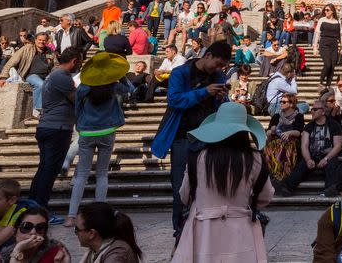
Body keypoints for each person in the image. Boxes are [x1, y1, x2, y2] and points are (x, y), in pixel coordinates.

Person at [173, 102, 273, 262]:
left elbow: (185, 196)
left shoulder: (197, 158)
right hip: (241, 233)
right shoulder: (255, 159)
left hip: (202, 232)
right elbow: (266, 196)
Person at [149, 41, 233, 233]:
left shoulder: (218, 76)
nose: (219, 69)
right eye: (218, 64)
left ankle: (202, 234)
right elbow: (175, 100)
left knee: (207, 188)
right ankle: (180, 234)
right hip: (183, 137)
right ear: (208, 55)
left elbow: (222, 105)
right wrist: (204, 92)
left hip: (209, 137)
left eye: (222, 66)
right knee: (181, 190)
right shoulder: (180, 73)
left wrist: (221, 98)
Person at [64, 53, 134, 228]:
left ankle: (71, 216)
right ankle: (100, 214)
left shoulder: (84, 88)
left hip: (87, 132)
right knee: (102, 173)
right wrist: (121, 75)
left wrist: (80, 125)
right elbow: (131, 89)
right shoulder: (114, 86)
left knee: (81, 174)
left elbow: (77, 108)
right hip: (108, 130)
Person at [27, 48, 81, 210]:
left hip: (49, 126)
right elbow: (76, 98)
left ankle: (33, 205)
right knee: (49, 170)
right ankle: (40, 209)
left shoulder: (54, 74)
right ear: (73, 61)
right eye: (79, 61)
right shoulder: (62, 77)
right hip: (57, 128)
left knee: (44, 168)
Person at [277, 98, 342, 197]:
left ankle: (331, 188)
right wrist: (308, 159)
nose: (312, 111)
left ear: (323, 111)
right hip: (312, 156)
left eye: (315, 109)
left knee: (332, 165)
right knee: (301, 166)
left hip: (328, 155)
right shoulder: (309, 126)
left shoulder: (334, 125)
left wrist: (326, 158)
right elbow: (304, 145)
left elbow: (337, 146)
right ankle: (287, 187)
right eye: (312, 109)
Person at [0, 32, 54, 117]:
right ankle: (36, 110)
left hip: (46, 76)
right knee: (41, 85)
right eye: (39, 40)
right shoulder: (27, 48)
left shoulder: (49, 51)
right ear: (35, 40)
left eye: (44, 40)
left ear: (46, 41)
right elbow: (12, 61)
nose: (41, 42)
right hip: (31, 75)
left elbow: (56, 65)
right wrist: (3, 77)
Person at [74, 202, 141, 262]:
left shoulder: (116, 256)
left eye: (77, 229)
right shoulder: (94, 251)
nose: (75, 232)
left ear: (91, 233)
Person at [0, 207, 70, 263]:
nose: (33, 232)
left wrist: (17, 250)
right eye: (26, 227)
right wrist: (18, 249)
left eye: (40, 228)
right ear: (15, 232)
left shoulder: (55, 253)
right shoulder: (4, 255)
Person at [265, 93, 304, 182]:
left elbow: (299, 132)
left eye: (284, 102)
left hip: (291, 142)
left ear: (291, 104)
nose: (281, 103)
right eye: (280, 101)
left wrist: (289, 133)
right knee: (270, 147)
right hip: (276, 141)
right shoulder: (276, 116)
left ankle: (284, 174)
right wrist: (272, 130)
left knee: (286, 147)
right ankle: (274, 173)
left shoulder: (298, 116)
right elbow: (268, 132)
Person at [313, 4, 341, 93]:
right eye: (325, 10)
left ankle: (328, 85)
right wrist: (315, 47)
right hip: (324, 43)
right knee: (328, 64)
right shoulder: (322, 20)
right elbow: (317, 33)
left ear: (332, 11)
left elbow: (340, 35)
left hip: (334, 44)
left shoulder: (337, 21)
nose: (326, 11)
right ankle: (321, 82)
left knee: (333, 66)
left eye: (328, 10)